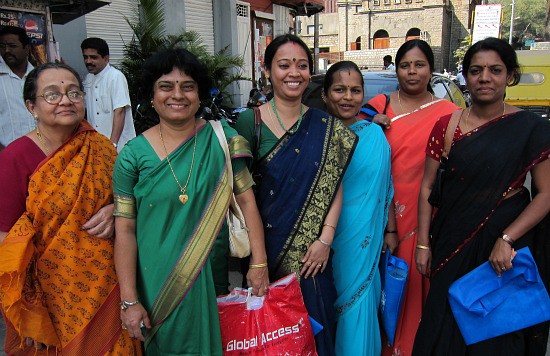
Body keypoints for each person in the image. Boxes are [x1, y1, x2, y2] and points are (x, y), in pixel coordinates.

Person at [112, 48, 269, 355]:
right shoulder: (132, 155)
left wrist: (259, 262)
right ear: (151, 95)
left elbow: (248, 203)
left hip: (210, 274)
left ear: (199, 95)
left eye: (188, 86)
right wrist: (129, 300)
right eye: (166, 86)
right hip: (155, 283)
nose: (178, 95)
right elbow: (125, 230)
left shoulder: (222, 139)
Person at [413, 37, 550, 356]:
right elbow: (427, 188)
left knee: (497, 333)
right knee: (443, 324)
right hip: (451, 241)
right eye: (476, 70)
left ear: (509, 76)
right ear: (465, 77)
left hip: (503, 247)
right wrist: (422, 243)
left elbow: (545, 194)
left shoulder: (529, 128)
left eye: (495, 70)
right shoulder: (446, 127)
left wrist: (507, 238)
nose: (484, 77)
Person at [0, 62, 141, 355]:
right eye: (52, 95)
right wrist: (26, 308)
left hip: (108, 285)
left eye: (74, 93)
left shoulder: (101, 148)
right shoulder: (16, 157)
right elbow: (6, 240)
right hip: (48, 296)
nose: (66, 100)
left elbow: (131, 204)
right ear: (31, 107)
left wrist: (116, 209)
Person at [235, 34, 357, 356]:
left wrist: (325, 241)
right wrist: (258, 261)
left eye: (302, 66)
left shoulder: (324, 124)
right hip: (267, 253)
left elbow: (335, 186)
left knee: (318, 331)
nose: (294, 73)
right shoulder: (251, 122)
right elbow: (241, 194)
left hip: (312, 258)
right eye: (284, 65)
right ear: (268, 70)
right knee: (273, 338)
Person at [368, 39, 459, 356]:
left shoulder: (451, 114)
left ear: (431, 70)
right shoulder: (378, 105)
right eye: (405, 65)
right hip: (385, 215)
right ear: (396, 69)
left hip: (432, 216)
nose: (412, 71)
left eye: (419, 65)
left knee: (427, 286)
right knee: (392, 286)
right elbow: (352, 142)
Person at [321, 60, 394, 356]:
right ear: (325, 95)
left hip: (362, 243)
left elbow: (385, 189)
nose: (347, 97)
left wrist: (391, 230)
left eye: (355, 90)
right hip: (322, 243)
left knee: (358, 307)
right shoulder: (316, 133)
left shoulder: (375, 136)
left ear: (363, 96)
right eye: (339, 89)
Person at [81, 37, 135, 151]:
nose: (88, 61)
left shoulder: (115, 77)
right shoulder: (88, 79)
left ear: (106, 58)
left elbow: (120, 111)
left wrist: (112, 144)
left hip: (118, 147)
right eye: (85, 57)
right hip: (97, 145)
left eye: (93, 57)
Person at [0, 26, 36, 150]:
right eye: (2, 46)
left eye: (12, 46)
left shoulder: (40, 77)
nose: (6, 51)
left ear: (26, 49)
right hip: (7, 157)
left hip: (44, 156)